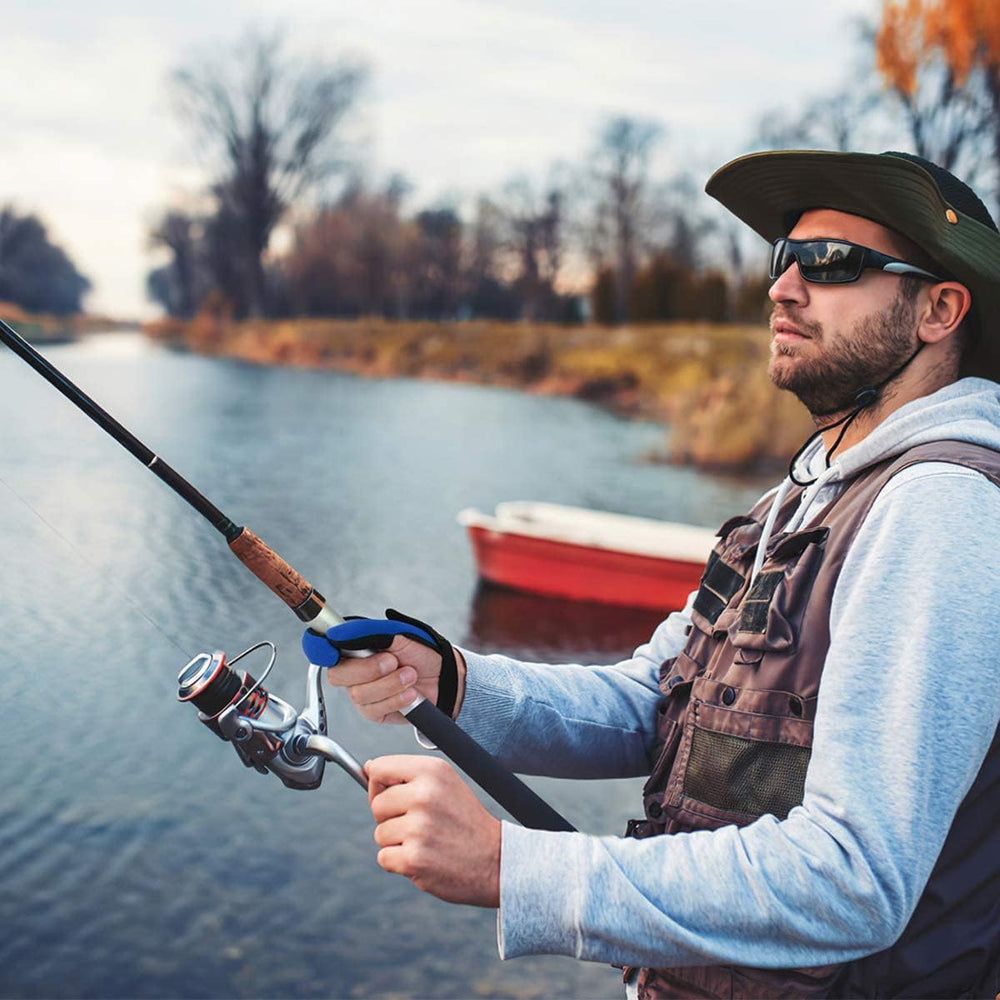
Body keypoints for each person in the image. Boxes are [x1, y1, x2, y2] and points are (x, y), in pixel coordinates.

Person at [316, 151, 1000, 999]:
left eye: (830, 263)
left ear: (939, 309)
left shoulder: (941, 506)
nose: (783, 288)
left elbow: (853, 877)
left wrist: (512, 866)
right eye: (784, 257)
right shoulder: (799, 498)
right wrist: (452, 685)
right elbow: (657, 702)